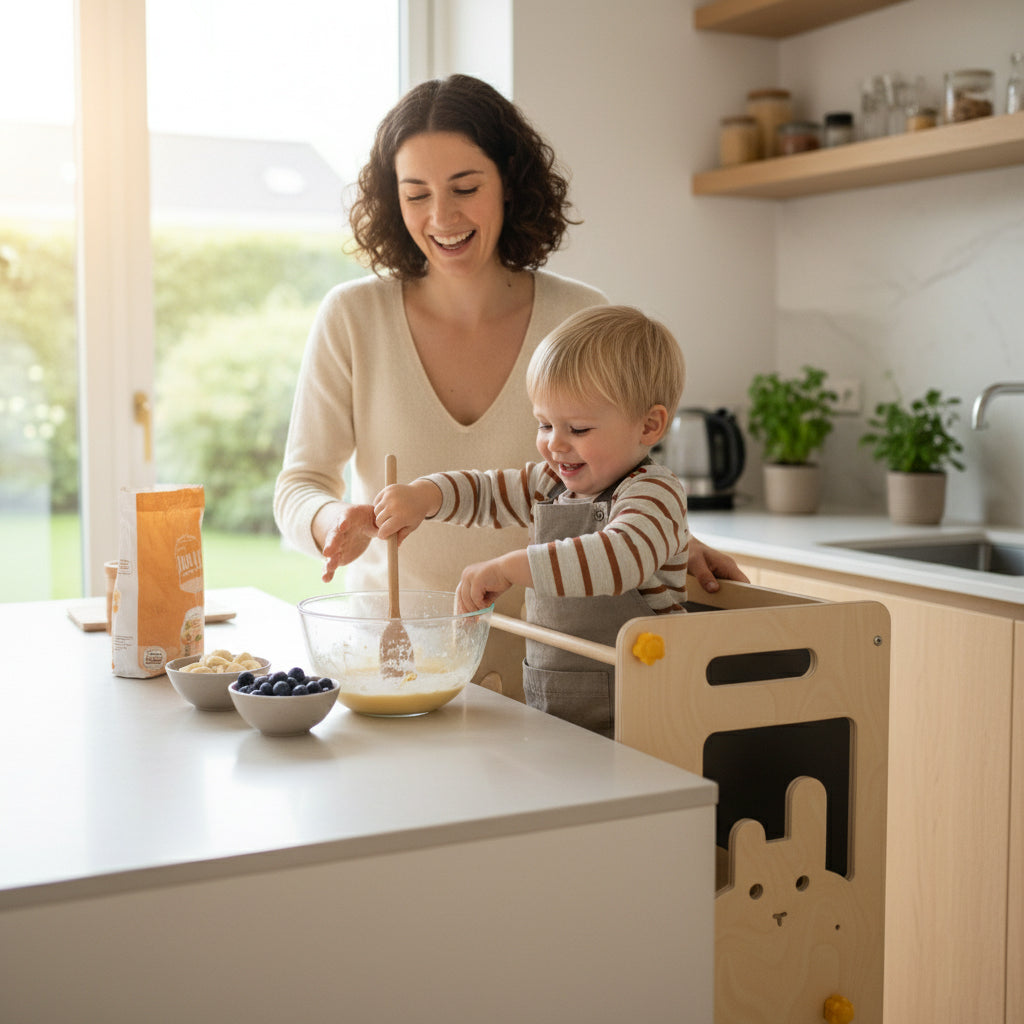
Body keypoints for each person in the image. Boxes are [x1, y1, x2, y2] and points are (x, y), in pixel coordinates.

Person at [273, 73, 745, 699]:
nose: (441, 217)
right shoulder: (352, 316)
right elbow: (299, 485)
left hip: (561, 670)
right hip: (398, 660)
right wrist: (335, 521)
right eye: (416, 195)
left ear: (509, 186)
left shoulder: (579, 317)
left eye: (465, 187)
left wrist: (670, 539)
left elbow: (615, 476)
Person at [354, 305, 689, 736]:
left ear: (649, 425)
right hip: (553, 709)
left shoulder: (653, 494)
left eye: (579, 429)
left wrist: (512, 566)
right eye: (545, 424)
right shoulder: (551, 483)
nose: (554, 445)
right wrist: (426, 496)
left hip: (644, 717)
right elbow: (489, 490)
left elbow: (618, 558)